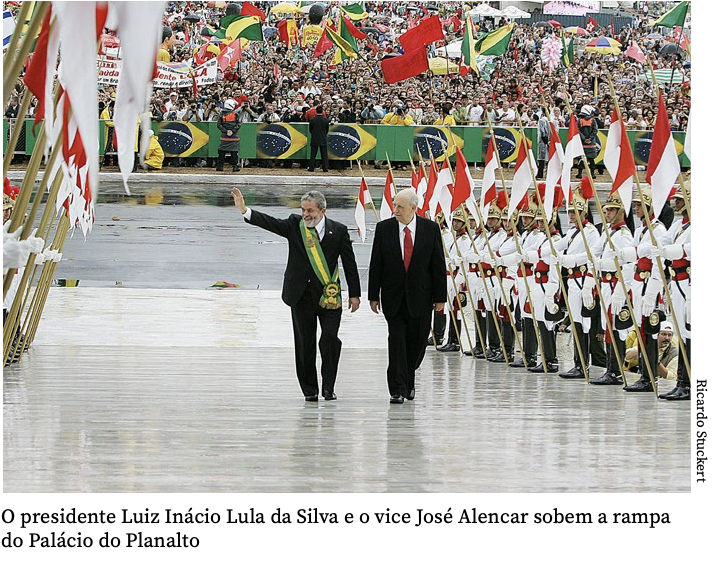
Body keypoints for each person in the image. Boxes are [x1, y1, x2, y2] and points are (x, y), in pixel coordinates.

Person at [231, 188, 361, 401]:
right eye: (303, 210)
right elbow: (271, 223)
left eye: (310, 210)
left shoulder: (338, 230)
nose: (306, 214)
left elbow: (349, 263)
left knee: (329, 340)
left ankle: (329, 387)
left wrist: (355, 294)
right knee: (304, 344)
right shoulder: (295, 225)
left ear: (323, 210)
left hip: (329, 297)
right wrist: (245, 210)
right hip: (300, 296)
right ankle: (310, 390)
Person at [368, 188, 446, 404]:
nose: (395, 210)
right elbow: (376, 263)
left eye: (400, 207)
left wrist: (441, 298)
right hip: (393, 297)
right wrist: (373, 295)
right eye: (394, 205)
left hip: (421, 297)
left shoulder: (430, 229)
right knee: (397, 342)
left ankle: (408, 381)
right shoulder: (384, 229)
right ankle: (397, 389)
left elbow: (438, 265)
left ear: (414, 208)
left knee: (416, 344)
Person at [217, 99, 241, 172]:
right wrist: (232, 131)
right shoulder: (236, 114)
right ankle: (235, 166)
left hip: (224, 136)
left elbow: (218, 125)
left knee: (221, 151)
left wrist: (226, 131)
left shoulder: (221, 114)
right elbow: (239, 124)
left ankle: (220, 166)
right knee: (234, 152)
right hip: (234, 136)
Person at [307, 104, 330, 173]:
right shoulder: (325, 120)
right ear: (322, 111)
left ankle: (311, 167)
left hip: (314, 138)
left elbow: (310, 130)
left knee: (313, 154)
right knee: (324, 155)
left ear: (316, 111)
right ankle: (325, 168)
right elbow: (327, 130)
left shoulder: (312, 120)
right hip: (323, 138)